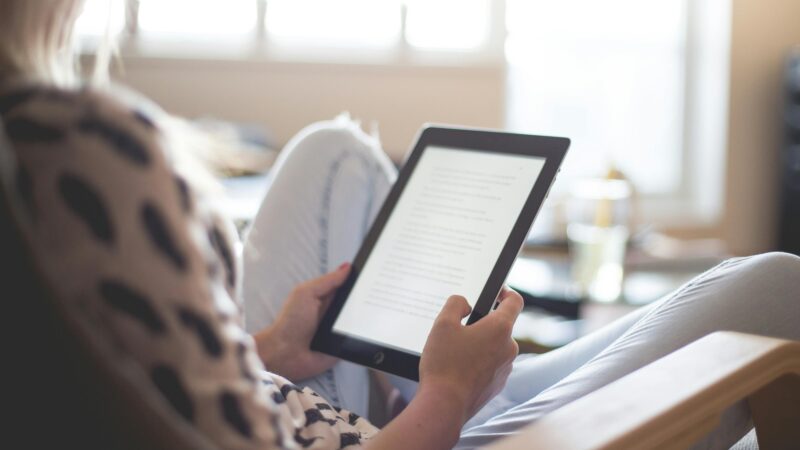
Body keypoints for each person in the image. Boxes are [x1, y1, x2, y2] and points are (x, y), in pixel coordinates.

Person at [1, 1, 798, 449]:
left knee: (336, 153)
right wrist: (443, 402)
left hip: (302, 402)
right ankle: (457, 389)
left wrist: (274, 348)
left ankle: (437, 379)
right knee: (778, 287)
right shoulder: (69, 151)